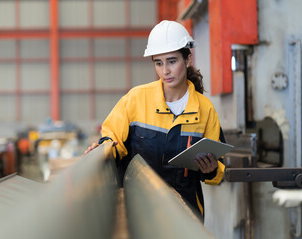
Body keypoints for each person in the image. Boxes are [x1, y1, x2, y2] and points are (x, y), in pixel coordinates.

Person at [85, 20, 225, 218]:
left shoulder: (205, 109)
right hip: (137, 213)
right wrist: (101, 151)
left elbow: (218, 171)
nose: (165, 71)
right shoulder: (135, 99)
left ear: (187, 59)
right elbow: (112, 142)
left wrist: (211, 170)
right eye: (158, 63)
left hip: (185, 214)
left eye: (172, 61)